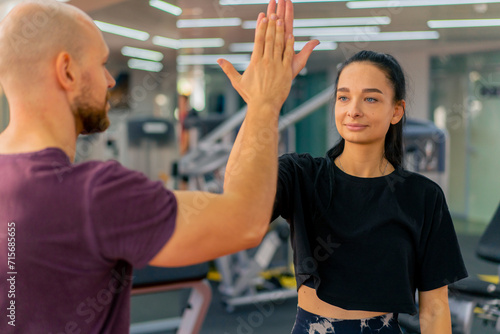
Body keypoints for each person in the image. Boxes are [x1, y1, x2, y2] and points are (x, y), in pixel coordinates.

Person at [0, 0, 317, 332]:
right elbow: (245, 223)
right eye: (102, 63)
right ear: (67, 70)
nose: (110, 81)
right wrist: (265, 103)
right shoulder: (91, 194)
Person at [227, 50, 468, 333]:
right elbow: (236, 199)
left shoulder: (423, 195)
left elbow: (435, 307)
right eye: (343, 97)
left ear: (396, 110)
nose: (353, 110)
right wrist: (259, 105)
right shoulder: (302, 175)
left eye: (370, 98)